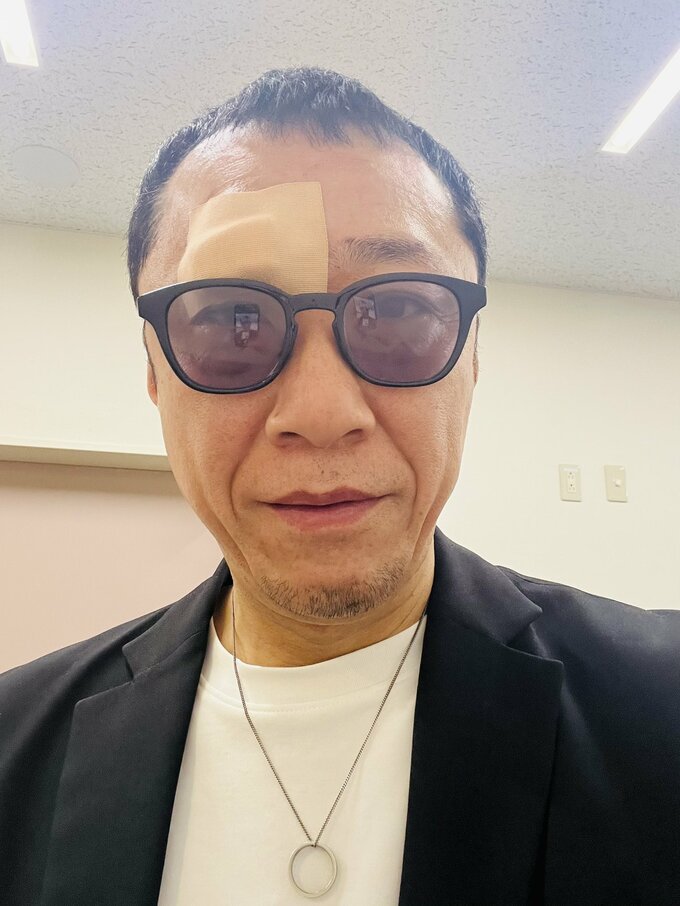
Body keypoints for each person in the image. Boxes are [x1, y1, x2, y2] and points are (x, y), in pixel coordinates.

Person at [1, 66, 678, 906]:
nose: (322, 413)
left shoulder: (661, 709)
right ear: (154, 372)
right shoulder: (15, 749)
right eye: (233, 322)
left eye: (397, 313)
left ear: (472, 357)